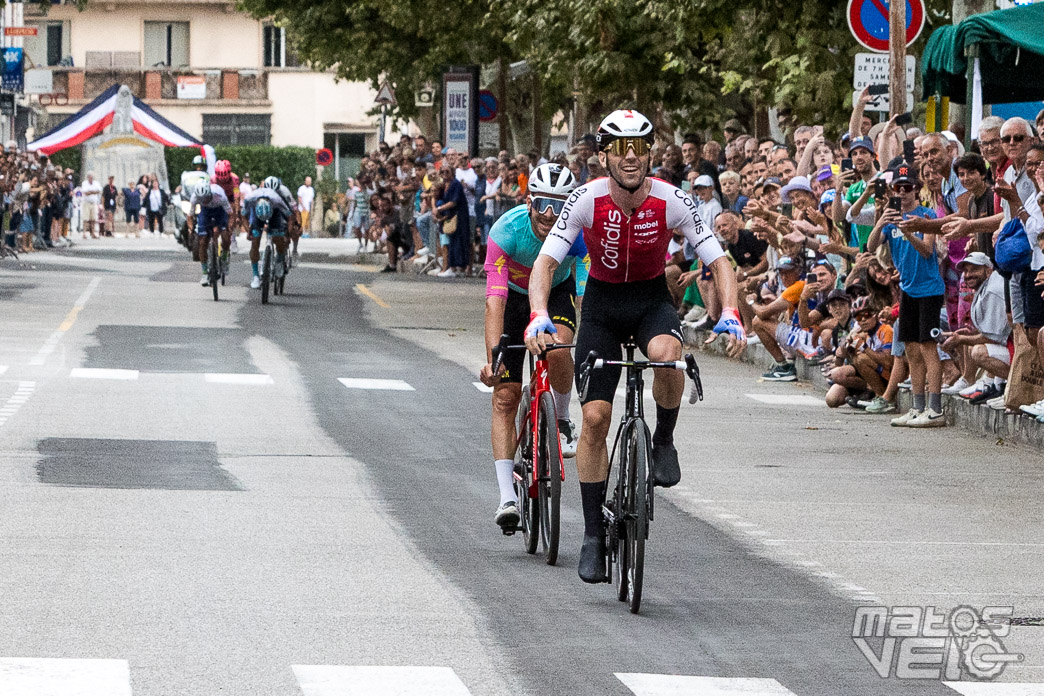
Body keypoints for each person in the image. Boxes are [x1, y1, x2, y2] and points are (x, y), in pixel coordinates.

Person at [524, 109, 744, 583]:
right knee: (596, 420)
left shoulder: (672, 200)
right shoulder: (585, 199)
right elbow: (545, 264)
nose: (630, 158)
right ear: (604, 156)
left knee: (670, 357)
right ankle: (591, 536)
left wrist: (730, 312)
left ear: (648, 154)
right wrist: (539, 314)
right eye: (620, 150)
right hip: (602, 306)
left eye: (639, 149)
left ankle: (663, 439)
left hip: (649, 300)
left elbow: (719, 261)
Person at [479, 164, 588, 529]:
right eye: (542, 204)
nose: (549, 215)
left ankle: (560, 416)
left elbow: (587, 296)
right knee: (505, 396)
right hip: (512, 298)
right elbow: (494, 302)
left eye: (560, 206)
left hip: (556, 294)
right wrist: (494, 359)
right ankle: (506, 496)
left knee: (559, 349)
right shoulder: (506, 231)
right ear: (529, 201)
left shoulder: (578, 234)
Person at [867, 164, 946, 428]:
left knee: (928, 347)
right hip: (908, 290)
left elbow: (926, 250)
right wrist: (882, 220)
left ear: (917, 189)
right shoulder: (891, 220)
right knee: (910, 349)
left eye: (908, 187)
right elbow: (870, 246)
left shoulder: (926, 215)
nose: (903, 193)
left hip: (929, 289)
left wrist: (908, 229)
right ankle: (917, 405)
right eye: (898, 188)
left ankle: (935, 409)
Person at [242, 180, 292, 289]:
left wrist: (287, 233)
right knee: (255, 242)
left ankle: (279, 259)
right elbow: (243, 216)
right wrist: (248, 231)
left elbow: (289, 216)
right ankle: (255, 275)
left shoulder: (277, 200)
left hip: (274, 214)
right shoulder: (250, 198)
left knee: (279, 238)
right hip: (257, 216)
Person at [190, 181, 232, 286]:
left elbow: (231, 214)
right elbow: (189, 216)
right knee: (203, 242)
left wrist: (229, 227)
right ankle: (204, 272)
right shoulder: (195, 197)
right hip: (205, 212)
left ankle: (224, 259)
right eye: (201, 199)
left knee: (226, 237)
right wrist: (191, 230)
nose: (204, 201)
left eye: (206, 198)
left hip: (220, 211)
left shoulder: (220, 196)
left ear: (210, 194)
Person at [80, 172, 102, 239]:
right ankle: (84, 233)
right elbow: (85, 192)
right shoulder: (84, 183)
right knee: (85, 218)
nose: (91, 178)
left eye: (92, 177)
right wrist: (93, 192)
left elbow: (99, 191)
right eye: (89, 177)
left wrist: (91, 192)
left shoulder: (96, 183)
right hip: (86, 203)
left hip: (94, 203)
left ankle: (92, 233)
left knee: (93, 219)